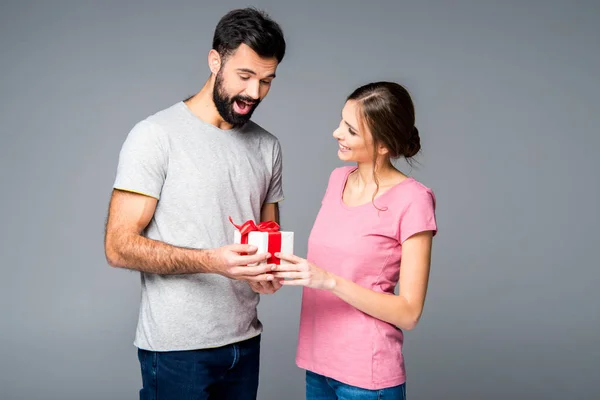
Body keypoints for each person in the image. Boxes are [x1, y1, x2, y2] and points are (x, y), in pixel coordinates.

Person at [103, 8, 286, 400]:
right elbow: (118, 247)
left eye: (267, 81)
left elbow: (268, 244)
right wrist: (212, 261)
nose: (254, 93)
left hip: (246, 342)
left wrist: (268, 273)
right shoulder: (155, 136)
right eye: (245, 76)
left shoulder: (267, 146)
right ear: (215, 60)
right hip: (176, 350)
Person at [272, 82, 438, 399]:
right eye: (340, 122)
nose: (337, 133)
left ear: (383, 146)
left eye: (350, 130)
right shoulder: (338, 179)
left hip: (367, 376)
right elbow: (327, 262)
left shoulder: (414, 200)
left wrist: (329, 281)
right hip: (318, 365)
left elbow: (409, 313)